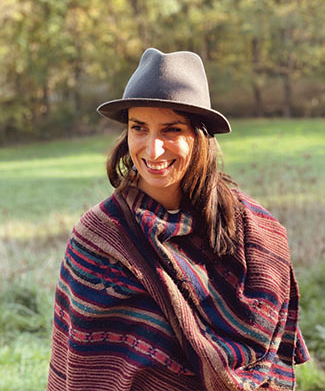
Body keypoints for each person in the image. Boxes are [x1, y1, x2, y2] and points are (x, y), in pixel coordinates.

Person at [47, 48, 309, 391]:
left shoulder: (254, 230)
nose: (153, 150)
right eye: (139, 128)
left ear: (199, 138)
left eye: (171, 130)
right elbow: (89, 365)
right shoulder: (100, 239)